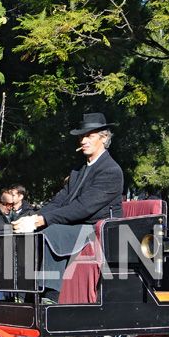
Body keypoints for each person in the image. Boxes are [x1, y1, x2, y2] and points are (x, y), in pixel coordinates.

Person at [12, 113, 124, 300]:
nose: (84, 140)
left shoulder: (111, 171)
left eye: (90, 135)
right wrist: (32, 218)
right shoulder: (78, 171)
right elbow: (59, 201)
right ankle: (24, 291)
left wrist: (41, 220)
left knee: (53, 233)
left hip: (100, 230)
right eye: (82, 136)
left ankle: (50, 296)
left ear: (104, 138)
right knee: (36, 233)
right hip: (79, 226)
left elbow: (83, 208)